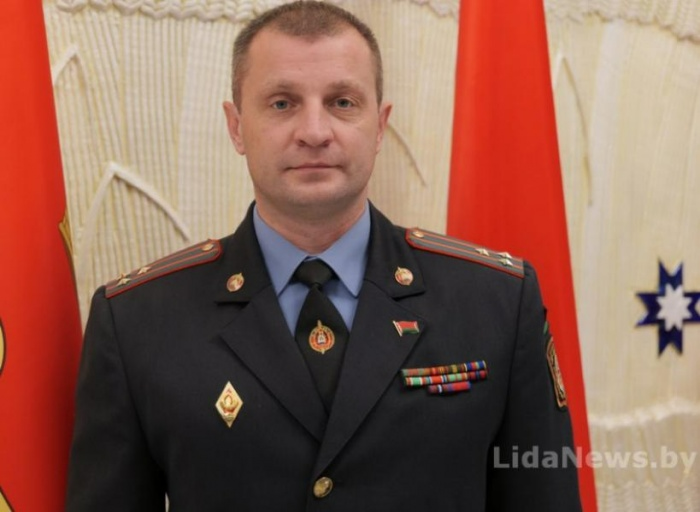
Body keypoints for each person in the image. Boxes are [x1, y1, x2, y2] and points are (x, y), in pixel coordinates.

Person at [66, 2, 582, 510]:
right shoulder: (137, 322)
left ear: (380, 126)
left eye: (342, 102)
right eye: (282, 103)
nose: (314, 132)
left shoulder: (495, 302)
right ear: (236, 126)